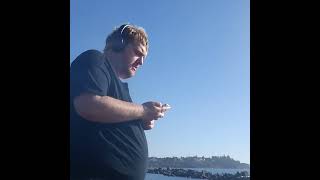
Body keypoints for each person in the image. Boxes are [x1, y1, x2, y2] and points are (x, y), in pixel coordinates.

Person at [70, 24, 169, 180]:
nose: (141, 62)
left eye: (144, 58)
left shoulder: (120, 89)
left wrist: (140, 121)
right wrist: (143, 110)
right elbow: (88, 104)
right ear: (118, 44)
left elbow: (107, 117)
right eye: (138, 53)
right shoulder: (95, 59)